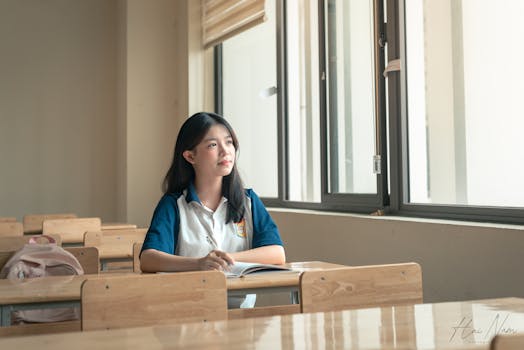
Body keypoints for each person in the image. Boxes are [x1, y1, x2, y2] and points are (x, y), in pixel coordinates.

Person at [140, 112, 286, 307]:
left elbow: (277, 253)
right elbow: (148, 259)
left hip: (241, 317)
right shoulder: (173, 205)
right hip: (188, 314)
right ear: (190, 156)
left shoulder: (249, 201)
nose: (225, 151)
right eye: (213, 145)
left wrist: (226, 260)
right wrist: (199, 264)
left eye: (229, 142)